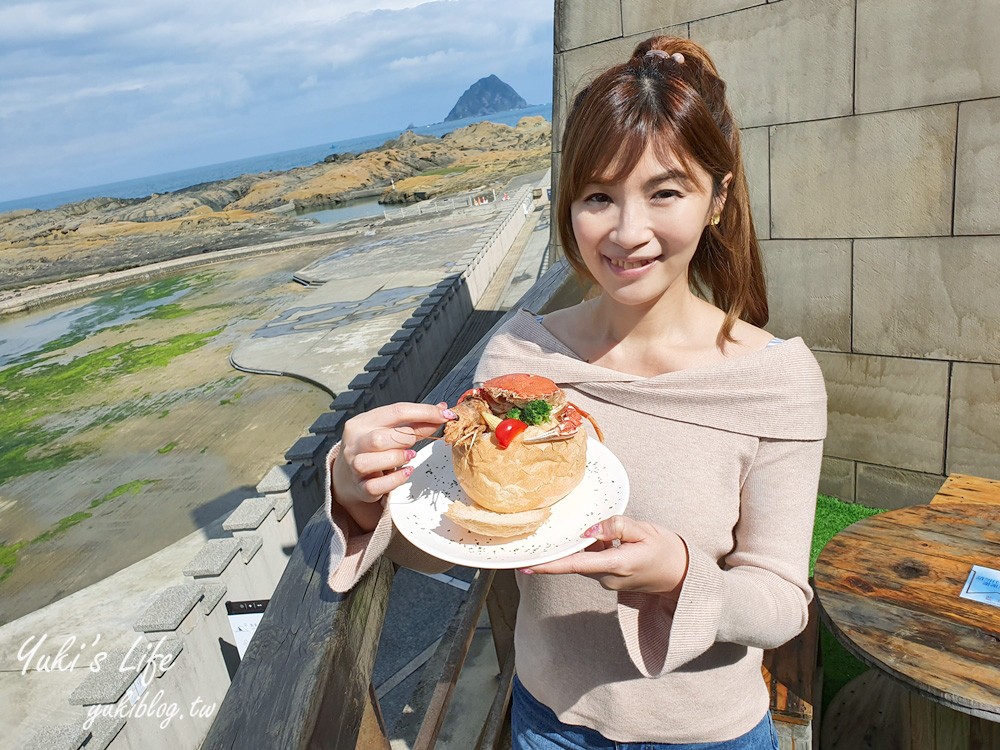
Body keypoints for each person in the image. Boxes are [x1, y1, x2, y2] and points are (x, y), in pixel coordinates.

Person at [323, 35, 826, 749]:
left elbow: (780, 603)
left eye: (665, 192)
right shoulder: (521, 357)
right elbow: (460, 542)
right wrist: (359, 492)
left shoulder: (776, 381)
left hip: (710, 733)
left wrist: (681, 573)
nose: (627, 233)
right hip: (546, 724)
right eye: (598, 196)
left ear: (718, 196)